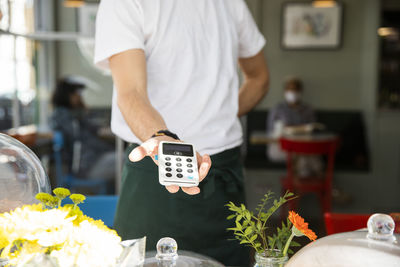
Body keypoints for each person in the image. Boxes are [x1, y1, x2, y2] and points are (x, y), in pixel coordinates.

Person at [94, 0, 269, 265]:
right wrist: (161, 137)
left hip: (224, 175)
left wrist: (214, 115)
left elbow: (259, 77)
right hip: (156, 171)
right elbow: (131, 92)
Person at [51, 77, 116, 184]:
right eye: (78, 93)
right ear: (68, 95)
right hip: (86, 166)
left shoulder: (74, 115)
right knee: (130, 160)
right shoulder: (64, 116)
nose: (80, 96)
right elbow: (86, 139)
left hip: (93, 160)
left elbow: (94, 130)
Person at [267, 77, 323, 176]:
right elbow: (271, 132)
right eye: (289, 89)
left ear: (300, 91)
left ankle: (301, 185)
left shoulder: (308, 110)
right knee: (305, 157)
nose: (292, 92)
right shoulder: (278, 109)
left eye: (295, 89)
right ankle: (314, 183)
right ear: (285, 91)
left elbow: (313, 132)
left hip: (304, 146)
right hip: (281, 147)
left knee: (305, 155)